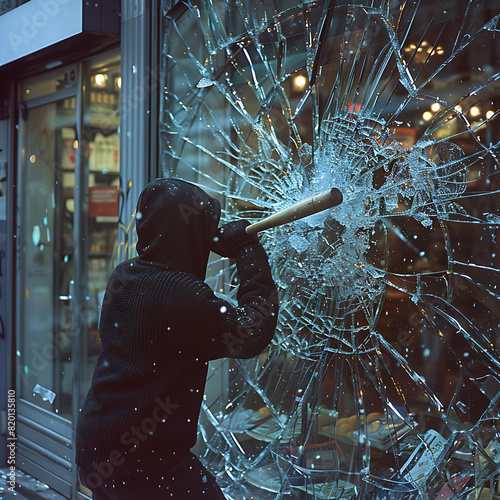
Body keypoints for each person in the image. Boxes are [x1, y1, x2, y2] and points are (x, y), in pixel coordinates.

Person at [76, 178, 279, 499]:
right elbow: (252, 331)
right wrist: (248, 252)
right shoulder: (183, 296)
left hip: (98, 445)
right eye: (205, 227)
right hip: (144, 460)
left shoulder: (125, 275)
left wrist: (205, 240)